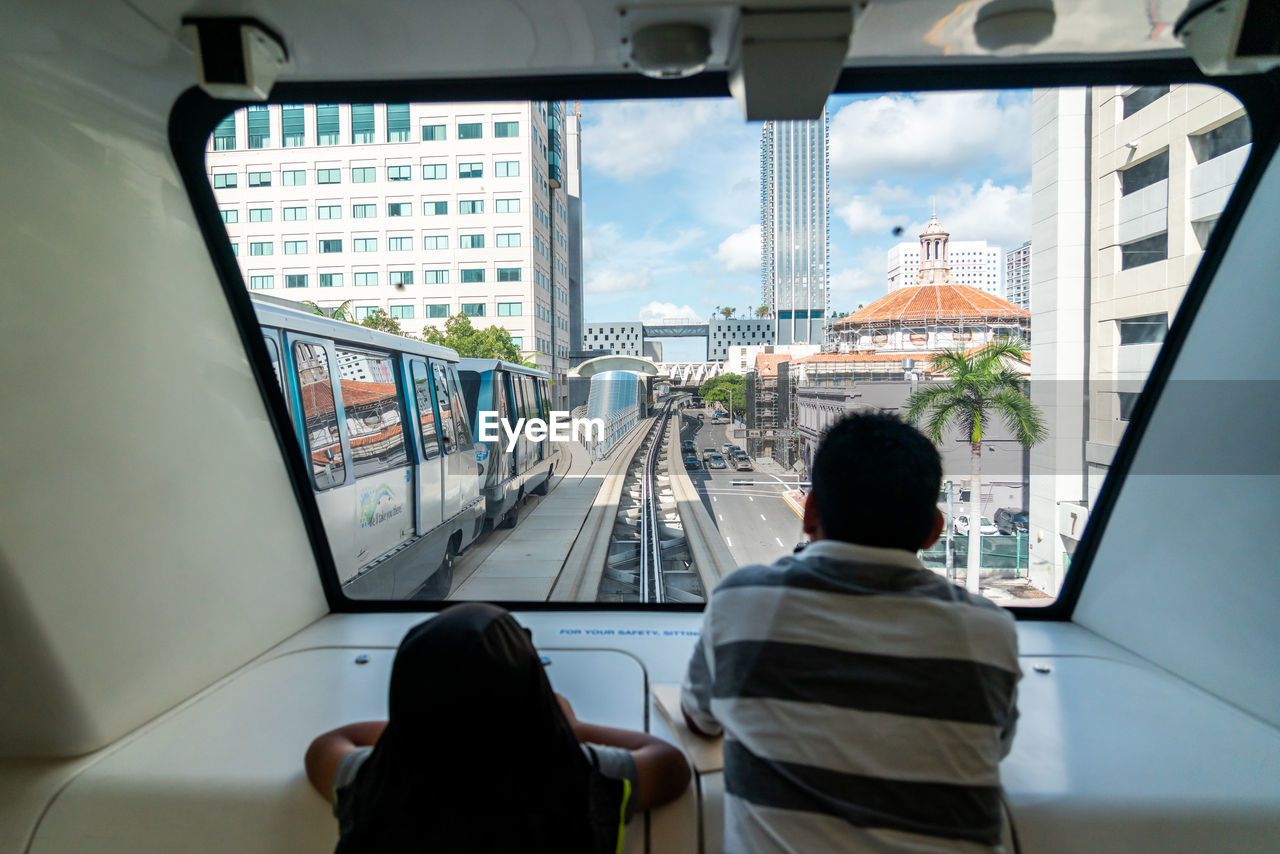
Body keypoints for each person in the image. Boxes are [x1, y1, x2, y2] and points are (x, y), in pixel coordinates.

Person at [681, 412, 1021, 853]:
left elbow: (700, 719)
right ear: (934, 531)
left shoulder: (742, 603)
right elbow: (996, 745)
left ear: (810, 512)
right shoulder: (988, 631)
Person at [306, 603, 690, 853]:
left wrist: (429, 719)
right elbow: (670, 764)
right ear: (534, 700)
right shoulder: (581, 780)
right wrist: (572, 726)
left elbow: (325, 747)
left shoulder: (373, 785)